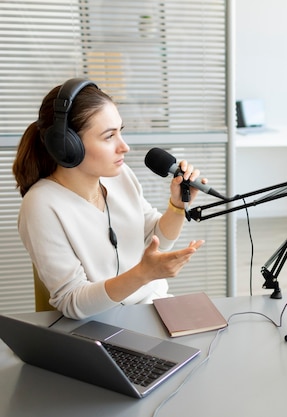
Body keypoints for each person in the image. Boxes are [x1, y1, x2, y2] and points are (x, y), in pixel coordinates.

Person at [13, 78, 205, 320]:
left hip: (153, 308)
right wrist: (143, 274)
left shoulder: (120, 176)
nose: (124, 147)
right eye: (108, 136)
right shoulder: (41, 205)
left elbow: (155, 239)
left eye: (120, 132)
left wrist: (177, 205)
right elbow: (71, 301)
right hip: (99, 325)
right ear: (67, 146)